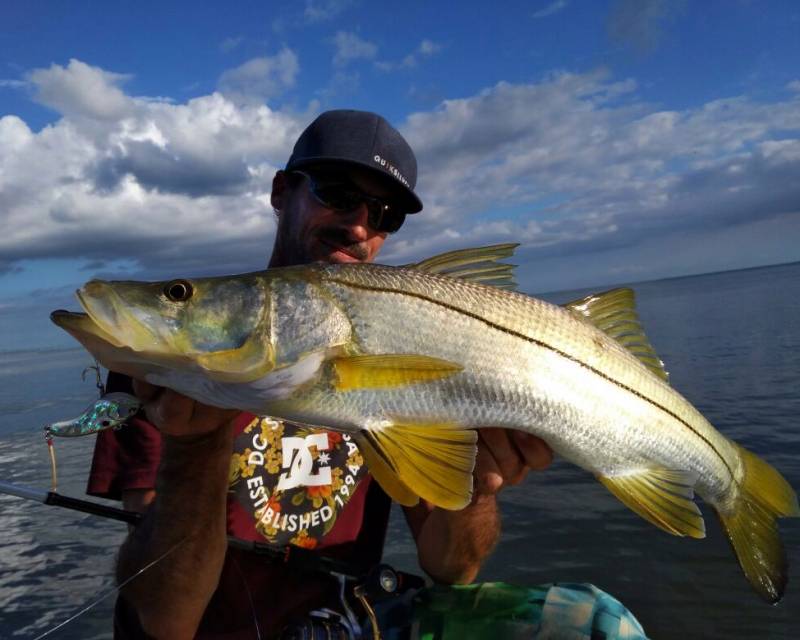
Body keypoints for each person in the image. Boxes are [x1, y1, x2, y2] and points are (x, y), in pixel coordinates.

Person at [88, 110, 553, 639]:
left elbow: (452, 567)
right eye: (336, 192)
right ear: (281, 191)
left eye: (385, 214)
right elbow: (166, 620)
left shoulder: (409, 337)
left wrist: (480, 489)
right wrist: (196, 445)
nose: (359, 225)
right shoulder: (165, 370)